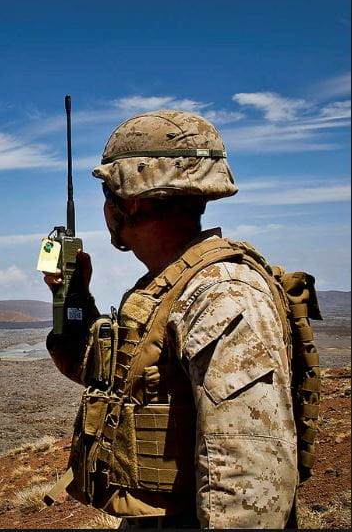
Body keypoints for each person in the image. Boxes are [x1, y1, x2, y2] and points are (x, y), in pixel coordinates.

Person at [43, 110, 298, 528]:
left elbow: (248, 481)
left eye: (108, 192)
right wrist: (71, 298)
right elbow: (102, 374)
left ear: (132, 201)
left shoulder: (222, 295)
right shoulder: (166, 286)